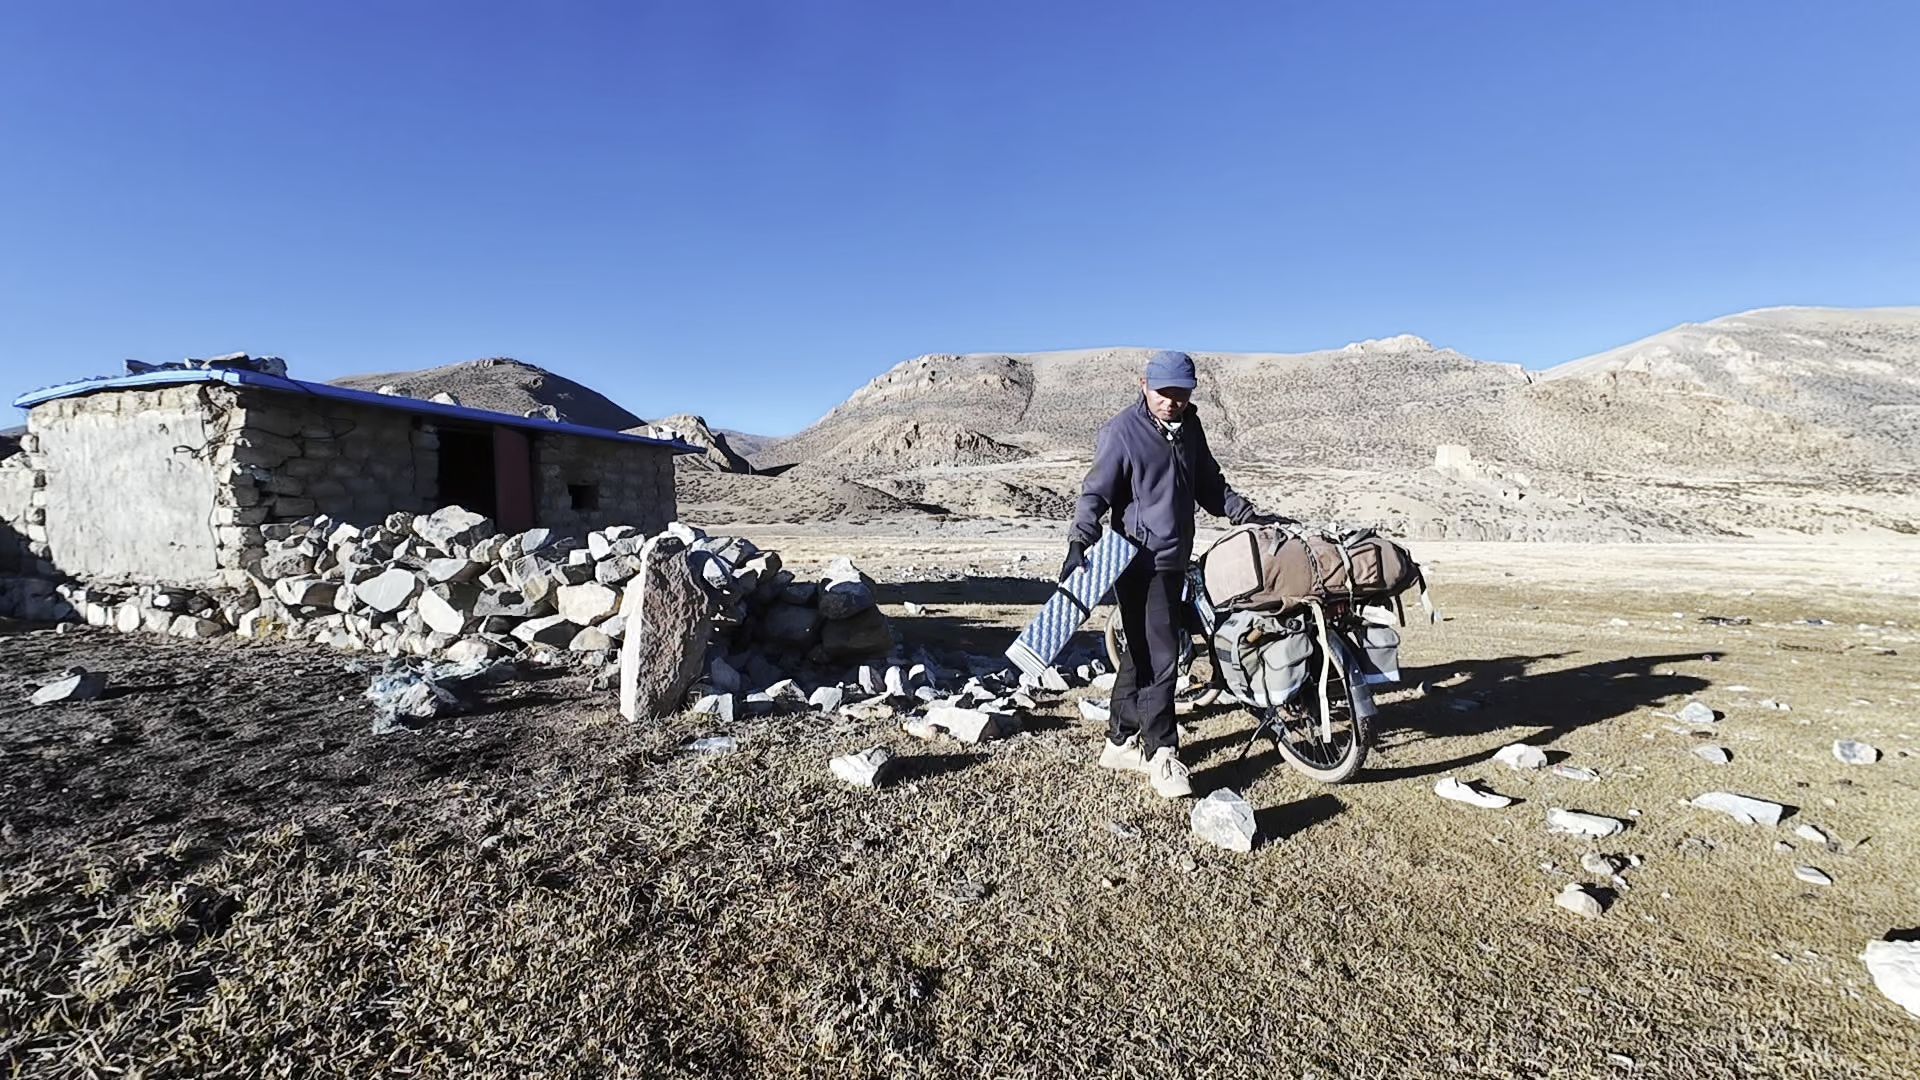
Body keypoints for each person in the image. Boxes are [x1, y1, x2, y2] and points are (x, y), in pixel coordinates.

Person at [1062, 350, 1289, 799]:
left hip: (1175, 559)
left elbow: (1209, 483)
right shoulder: (1122, 432)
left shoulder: (1190, 429)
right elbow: (1095, 494)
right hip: (1138, 564)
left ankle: (1119, 741)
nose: (1172, 402)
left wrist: (1246, 515)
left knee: (1141, 652)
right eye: (1164, 393)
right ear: (1144, 385)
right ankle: (1162, 753)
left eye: (1181, 394)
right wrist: (1078, 543)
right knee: (1163, 656)